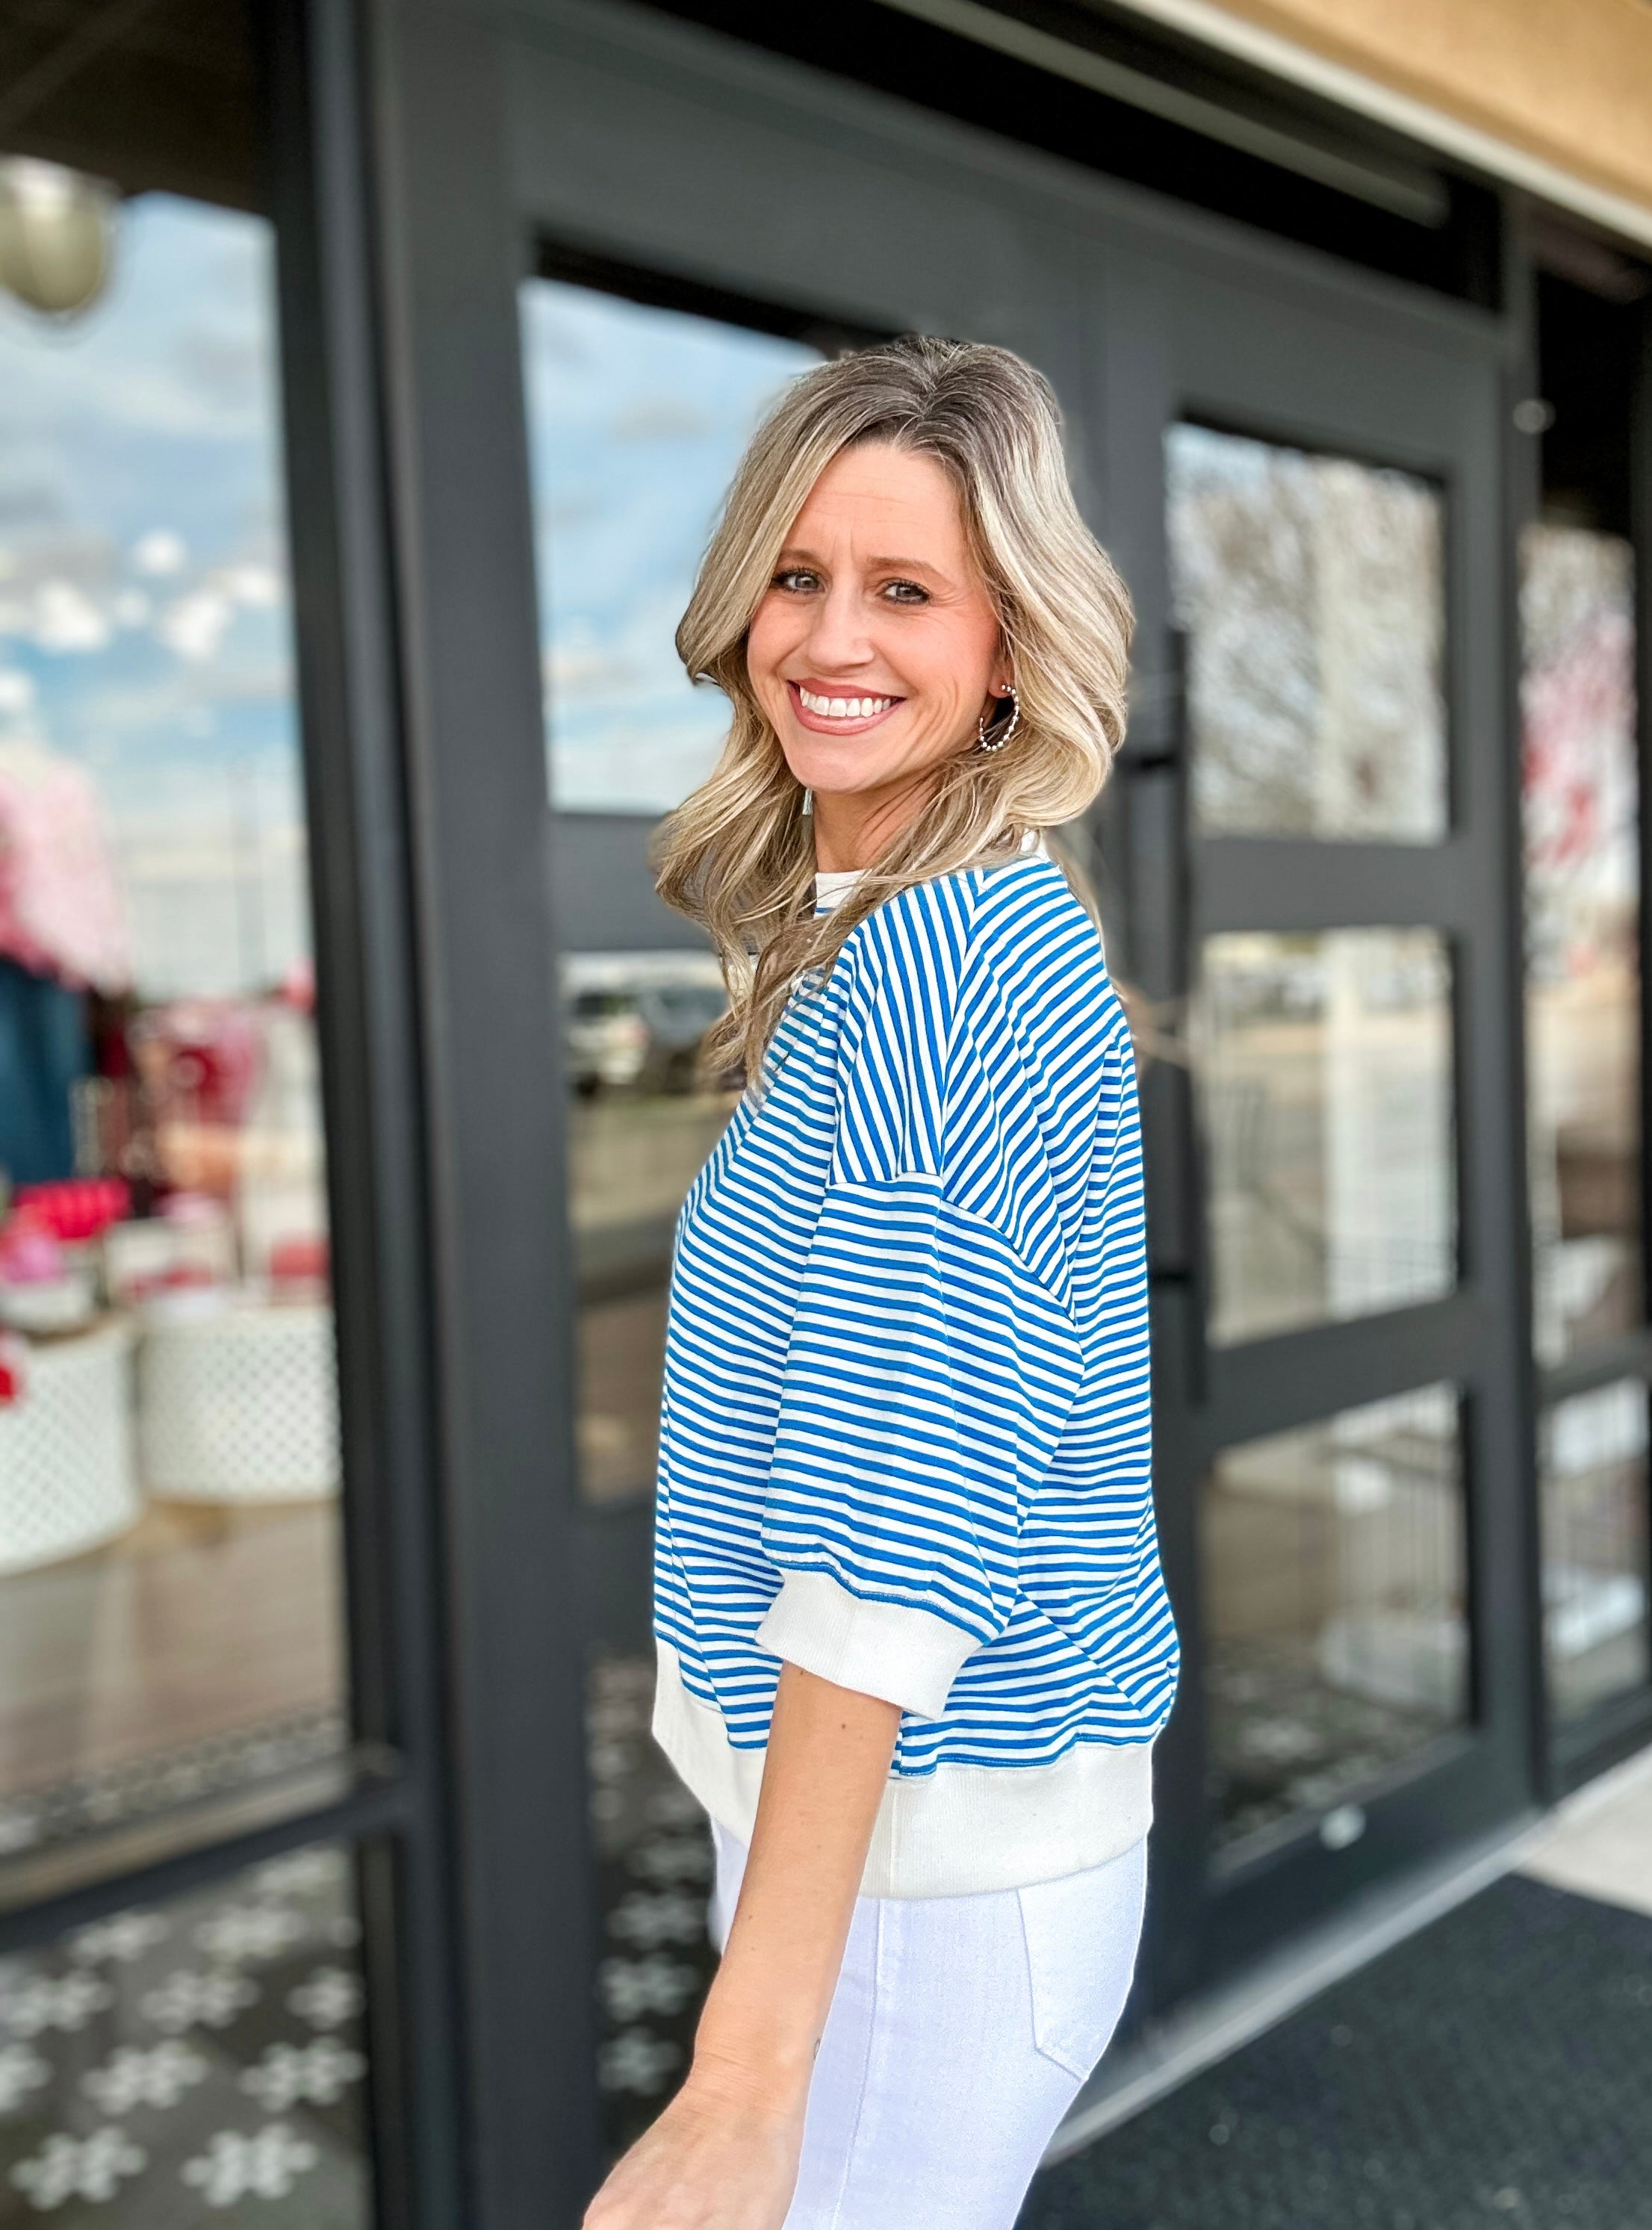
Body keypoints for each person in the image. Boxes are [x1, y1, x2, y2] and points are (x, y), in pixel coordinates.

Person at [585, 335, 1179, 2230]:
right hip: (889, 1857)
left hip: (922, 1881)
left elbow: (889, 1541)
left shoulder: (948, 965)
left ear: (1006, 647)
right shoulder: (891, 936)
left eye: (905, 590)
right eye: (796, 572)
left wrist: (740, 2076)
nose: (828, 635)